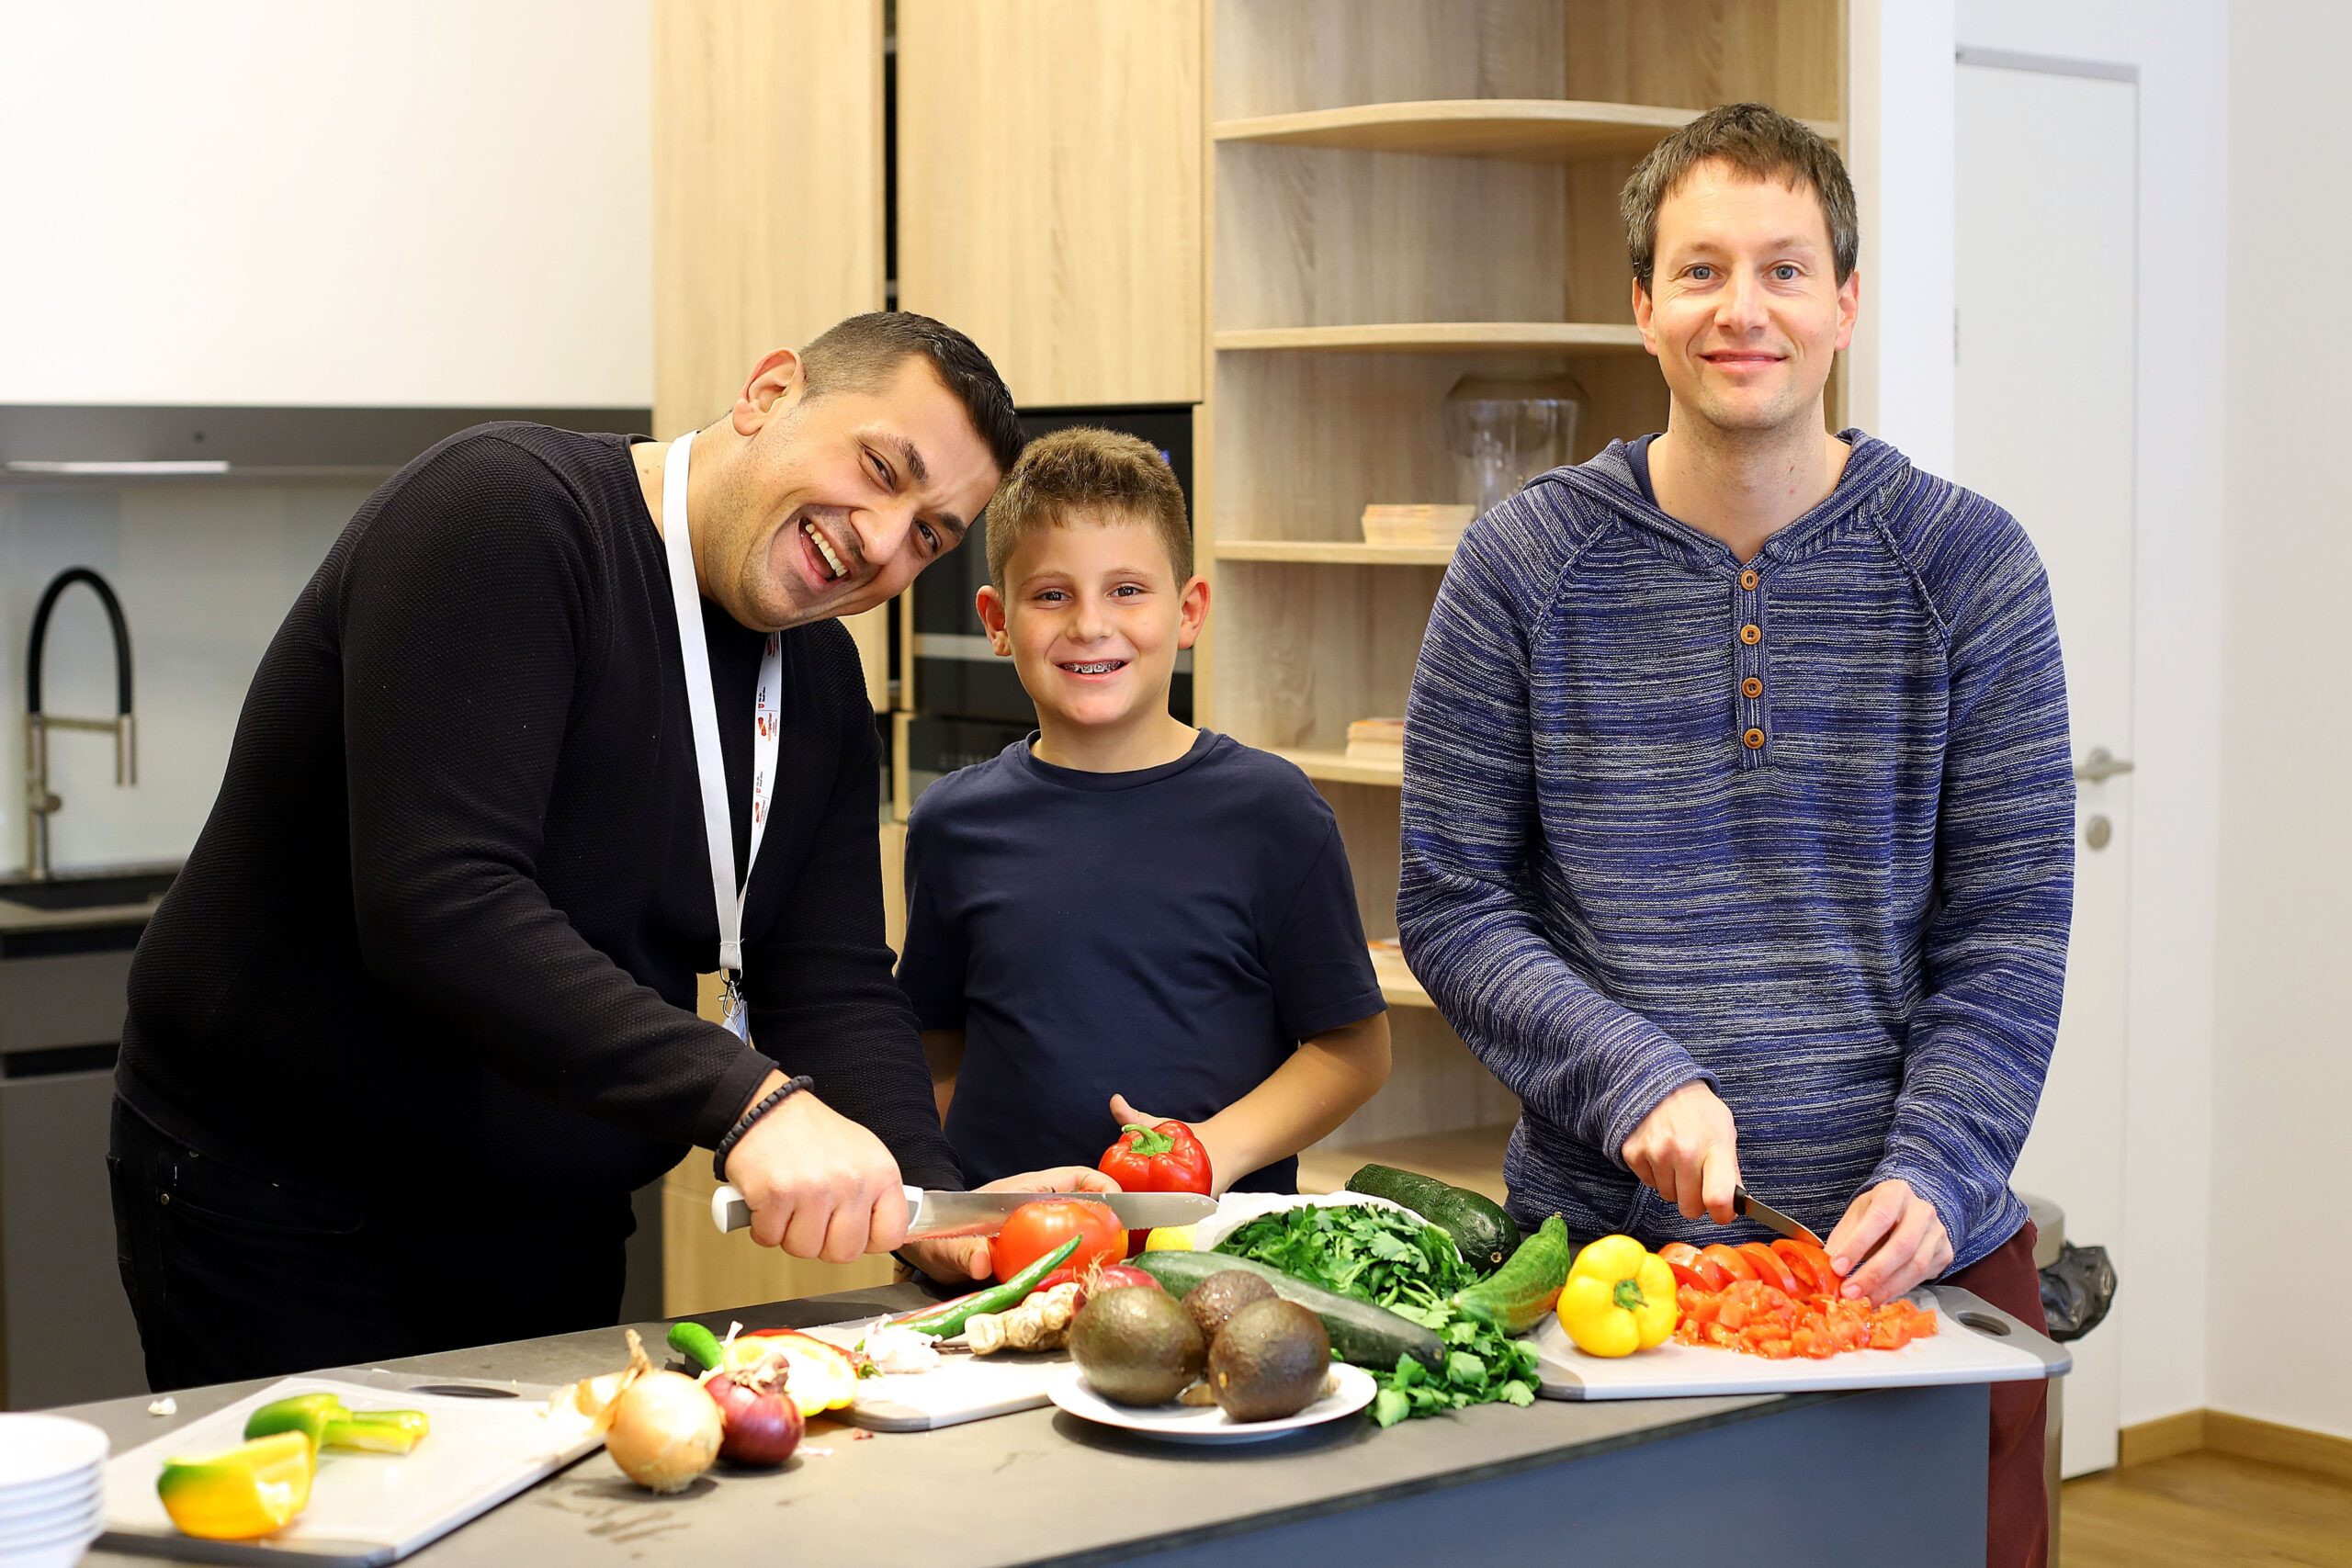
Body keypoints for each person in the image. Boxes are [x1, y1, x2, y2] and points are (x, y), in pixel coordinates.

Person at [111, 311, 1105, 1391]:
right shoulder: (508, 516)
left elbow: (827, 977)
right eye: (879, 469)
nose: (879, 541)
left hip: (554, 1222)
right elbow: (441, 902)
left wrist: (924, 1200)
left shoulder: (816, 685)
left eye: (929, 535)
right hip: (287, 1208)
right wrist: (752, 1103)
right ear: (769, 392)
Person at [1398, 106, 2070, 1568]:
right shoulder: (1521, 563)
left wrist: (1944, 1163)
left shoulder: (1974, 565)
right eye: (1699, 270)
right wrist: (1633, 1069)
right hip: (1606, 1272)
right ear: (1642, 304)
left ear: (1845, 302)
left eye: (1783, 267)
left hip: (1913, 1267)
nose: (1742, 308)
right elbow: (1451, 899)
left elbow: (2008, 930)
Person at [894, 427, 1393, 1233]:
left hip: (1215, 1255)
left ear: (1189, 609)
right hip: (1008, 1256)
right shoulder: (953, 822)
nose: (1091, 624)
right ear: (997, 619)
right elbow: (934, 1046)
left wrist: (1206, 1153)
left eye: (1127, 589)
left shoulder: (1273, 813)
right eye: (1052, 594)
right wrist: (955, 1209)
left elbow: (1355, 1049)